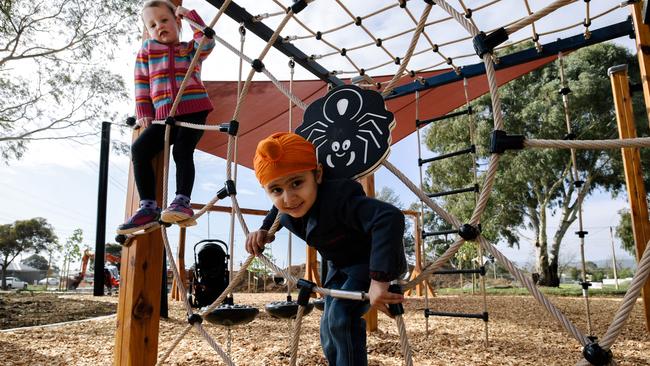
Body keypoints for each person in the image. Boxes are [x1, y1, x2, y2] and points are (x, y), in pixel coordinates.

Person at [245, 132, 407, 366]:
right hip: (338, 265)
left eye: (296, 183)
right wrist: (263, 230)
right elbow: (276, 211)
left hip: (369, 262)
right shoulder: (286, 210)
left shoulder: (340, 199)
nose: (289, 198)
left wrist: (379, 280)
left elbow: (388, 217)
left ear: (318, 175)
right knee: (328, 327)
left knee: (342, 316)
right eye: (276, 190)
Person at [117, 0, 215, 235]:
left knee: (182, 151)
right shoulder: (148, 51)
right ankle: (148, 207)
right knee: (140, 150)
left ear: (176, 22)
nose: (158, 26)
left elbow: (208, 41)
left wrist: (190, 16)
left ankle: (182, 201)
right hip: (164, 114)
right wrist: (144, 113)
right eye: (152, 24)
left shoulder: (189, 49)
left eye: (164, 20)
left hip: (194, 107)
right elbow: (141, 83)